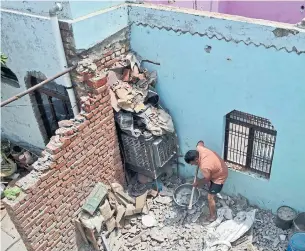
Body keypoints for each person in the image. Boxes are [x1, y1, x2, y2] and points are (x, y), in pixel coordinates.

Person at [184, 141, 228, 222]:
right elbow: (200, 142)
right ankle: (213, 193)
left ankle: (213, 216)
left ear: (197, 159)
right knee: (209, 183)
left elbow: (207, 179)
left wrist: (198, 183)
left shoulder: (205, 166)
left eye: (192, 163)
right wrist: (199, 144)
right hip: (216, 168)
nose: (192, 165)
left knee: (210, 197)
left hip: (220, 176)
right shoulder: (199, 149)